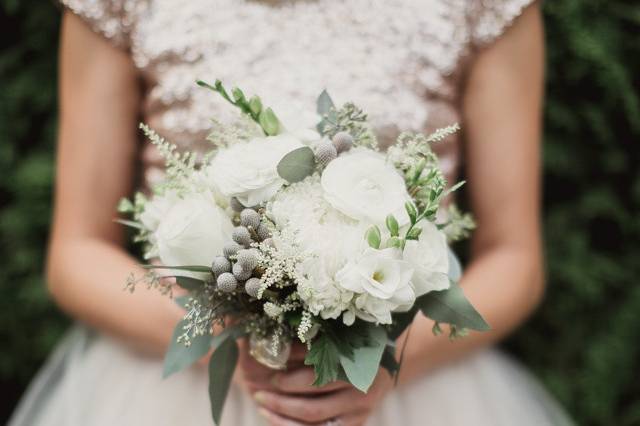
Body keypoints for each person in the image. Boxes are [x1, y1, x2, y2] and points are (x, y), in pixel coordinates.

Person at [10, 1, 573, 425]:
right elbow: (75, 254)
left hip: (410, 383)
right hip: (174, 382)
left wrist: (388, 362)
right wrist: (231, 344)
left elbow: (515, 258)